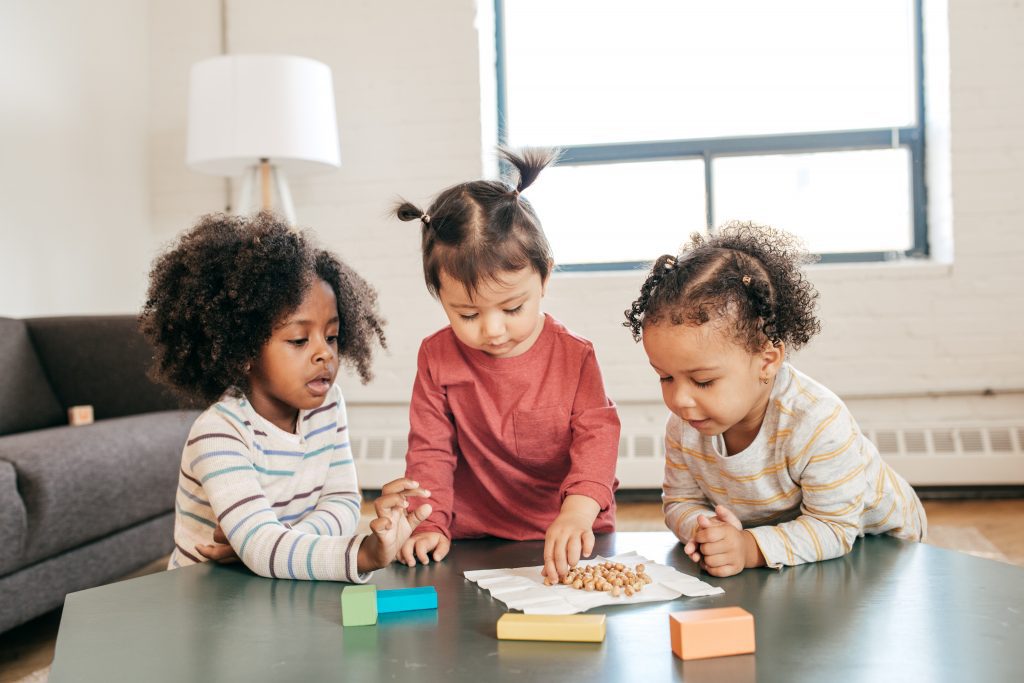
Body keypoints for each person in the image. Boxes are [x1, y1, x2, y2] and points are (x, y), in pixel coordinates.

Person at [140, 212, 431, 582]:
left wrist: (268, 546)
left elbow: (343, 502)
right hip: (207, 601)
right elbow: (263, 547)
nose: (324, 353)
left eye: (332, 336)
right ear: (243, 351)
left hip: (278, 585)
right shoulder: (218, 433)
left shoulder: (328, 407)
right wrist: (362, 553)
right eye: (298, 340)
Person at [624, 221, 926, 577]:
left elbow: (833, 527)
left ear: (767, 361)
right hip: (797, 543)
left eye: (703, 381)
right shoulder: (686, 426)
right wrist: (708, 532)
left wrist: (749, 548)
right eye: (665, 377)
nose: (680, 399)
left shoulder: (816, 422)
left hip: (879, 548)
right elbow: (680, 503)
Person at [393, 148, 620, 582]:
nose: (493, 330)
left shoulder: (575, 355)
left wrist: (578, 511)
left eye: (512, 308)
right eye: (468, 314)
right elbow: (430, 451)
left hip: (568, 532)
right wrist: (429, 520)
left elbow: (597, 439)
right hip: (474, 535)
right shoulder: (436, 357)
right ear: (439, 296)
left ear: (545, 277)